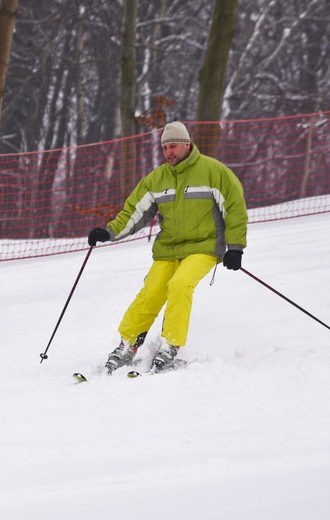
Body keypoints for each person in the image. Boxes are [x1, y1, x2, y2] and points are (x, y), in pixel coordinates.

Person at [88, 121, 247, 374]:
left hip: (203, 247)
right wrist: (108, 232)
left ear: (186, 144)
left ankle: (171, 344)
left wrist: (235, 248)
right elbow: (134, 212)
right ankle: (127, 344)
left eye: (173, 146)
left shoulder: (213, 171)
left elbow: (235, 209)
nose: (169, 152)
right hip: (169, 249)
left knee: (180, 284)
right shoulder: (157, 179)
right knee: (151, 291)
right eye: (164, 148)